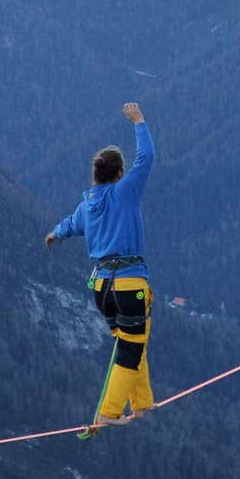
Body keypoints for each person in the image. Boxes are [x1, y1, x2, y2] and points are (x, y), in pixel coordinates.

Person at [45, 102, 155, 437]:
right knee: (131, 347)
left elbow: (70, 225)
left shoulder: (87, 206)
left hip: (101, 289)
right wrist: (138, 121)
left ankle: (142, 403)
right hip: (128, 284)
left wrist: (54, 234)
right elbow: (146, 158)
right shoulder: (125, 193)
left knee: (130, 339)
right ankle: (110, 411)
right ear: (120, 174)